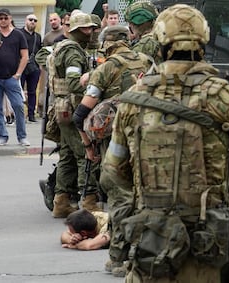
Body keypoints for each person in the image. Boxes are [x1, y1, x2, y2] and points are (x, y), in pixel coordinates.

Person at [101, 4, 229, 282]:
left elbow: (114, 171)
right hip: (210, 243)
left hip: (153, 243)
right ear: (202, 42)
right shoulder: (224, 96)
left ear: (161, 43)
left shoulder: (132, 100)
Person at [72, 25, 151, 277]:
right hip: (148, 142)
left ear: (108, 43)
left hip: (116, 145)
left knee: (119, 200)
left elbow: (81, 113)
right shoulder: (149, 62)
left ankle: (118, 258)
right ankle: (142, 253)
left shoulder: (105, 68)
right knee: (144, 199)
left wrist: (87, 145)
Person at [48, 11, 101, 218]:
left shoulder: (61, 46)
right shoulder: (73, 52)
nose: (91, 32)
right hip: (72, 108)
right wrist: (94, 82)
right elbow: (73, 82)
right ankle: (89, 202)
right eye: (88, 28)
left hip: (62, 108)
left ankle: (61, 202)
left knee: (68, 156)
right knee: (84, 154)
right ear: (79, 31)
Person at [0, 8, 30, 147]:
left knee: (18, 105)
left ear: (10, 18)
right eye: (0, 18)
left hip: (11, 77)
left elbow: (25, 56)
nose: (3, 21)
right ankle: (2, 135)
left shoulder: (18, 35)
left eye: (5, 18)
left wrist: (18, 74)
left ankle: (22, 136)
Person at [19, 14, 42, 123]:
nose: (33, 22)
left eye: (35, 20)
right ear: (25, 21)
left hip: (34, 67)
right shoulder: (18, 33)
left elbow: (40, 51)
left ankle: (31, 114)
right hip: (20, 66)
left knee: (32, 91)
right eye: (30, 19)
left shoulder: (38, 36)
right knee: (19, 91)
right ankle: (18, 114)